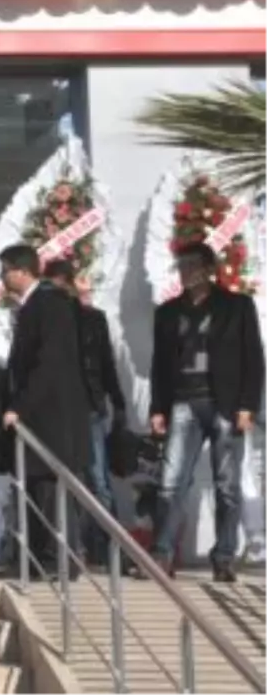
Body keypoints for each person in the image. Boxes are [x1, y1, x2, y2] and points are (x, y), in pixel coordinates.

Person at [146, 242, 262, 583]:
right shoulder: (167, 312)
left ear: (209, 269)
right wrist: (157, 407)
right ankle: (162, 554)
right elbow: (159, 365)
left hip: (225, 404)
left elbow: (253, 358)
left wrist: (247, 405)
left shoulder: (237, 306)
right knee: (170, 483)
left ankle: (223, 557)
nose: (185, 271)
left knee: (227, 486)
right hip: (183, 401)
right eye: (181, 264)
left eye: (192, 264)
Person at [0, 244, 91, 578]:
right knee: (36, 487)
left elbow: (48, 364)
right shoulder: (32, 306)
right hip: (39, 417)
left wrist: (20, 406)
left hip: (52, 415)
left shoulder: (50, 305)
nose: (3, 277)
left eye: (5, 270)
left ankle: (60, 558)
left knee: (53, 489)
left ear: (22, 272)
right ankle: (37, 557)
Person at [43, 259, 129, 566]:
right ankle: (72, 546)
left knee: (97, 478)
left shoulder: (93, 318)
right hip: (61, 408)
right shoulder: (50, 317)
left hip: (90, 405)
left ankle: (112, 548)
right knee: (66, 477)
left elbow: (105, 362)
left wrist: (118, 402)